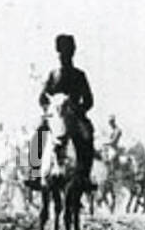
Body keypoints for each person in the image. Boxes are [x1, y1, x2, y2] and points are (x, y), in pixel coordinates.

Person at [25, 33, 95, 189]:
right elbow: (42, 97)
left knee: (88, 133)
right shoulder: (53, 75)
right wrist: (48, 108)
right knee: (38, 133)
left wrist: (79, 109)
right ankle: (34, 172)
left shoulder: (79, 75)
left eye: (67, 52)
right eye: (61, 52)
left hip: (74, 116)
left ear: (72, 53)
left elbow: (89, 100)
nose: (63, 56)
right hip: (55, 115)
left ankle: (85, 176)